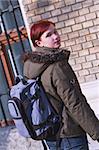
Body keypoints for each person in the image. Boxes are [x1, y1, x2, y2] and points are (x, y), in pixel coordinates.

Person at [23, 20, 99, 150]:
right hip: (70, 134)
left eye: (55, 32)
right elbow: (74, 102)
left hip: (50, 135)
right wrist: (96, 131)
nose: (55, 36)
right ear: (39, 43)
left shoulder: (29, 66)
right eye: (48, 35)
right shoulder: (57, 66)